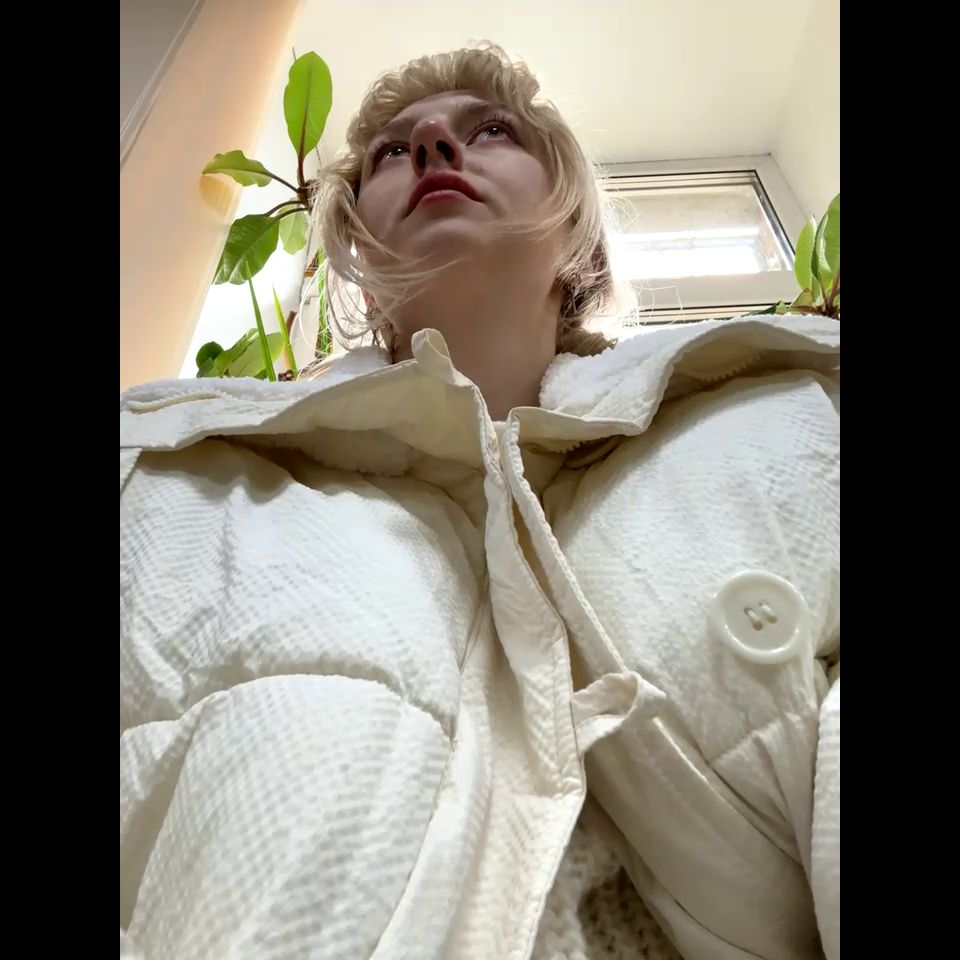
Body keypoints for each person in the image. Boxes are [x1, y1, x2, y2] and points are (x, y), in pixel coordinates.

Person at [120, 43, 839, 960]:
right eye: (391, 151)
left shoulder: (789, 408)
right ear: (359, 261)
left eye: (491, 130)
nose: (431, 144)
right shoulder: (173, 469)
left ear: (575, 236)